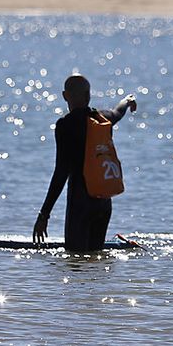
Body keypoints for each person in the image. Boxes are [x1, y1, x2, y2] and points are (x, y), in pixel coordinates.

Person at [33, 74, 136, 251]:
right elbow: (118, 112)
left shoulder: (65, 125)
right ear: (88, 96)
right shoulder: (103, 119)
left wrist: (44, 215)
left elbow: (61, 172)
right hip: (103, 201)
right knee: (95, 258)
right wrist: (127, 100)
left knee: (76, 262)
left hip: (81, 201)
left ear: (65, 96)